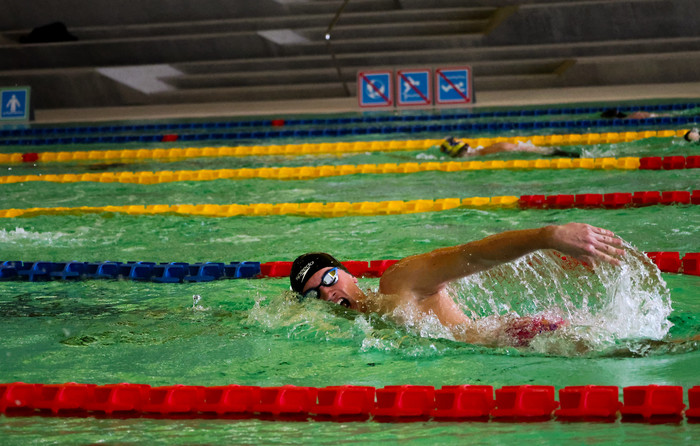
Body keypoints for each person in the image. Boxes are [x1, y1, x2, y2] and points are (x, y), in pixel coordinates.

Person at [290, 222, 625, 347]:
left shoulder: (397, 283)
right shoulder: (356, 331)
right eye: (314, 294)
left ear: (350, 274)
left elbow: (472, 255)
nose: (327, 292)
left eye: (329, 278)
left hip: (527, 337)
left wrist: (546, 236)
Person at [439, 136, 580, 158]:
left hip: (517, 150)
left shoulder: (482, 152)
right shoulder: (481, 151)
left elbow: (506, 148)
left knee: (552, 153)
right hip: (517, 149)